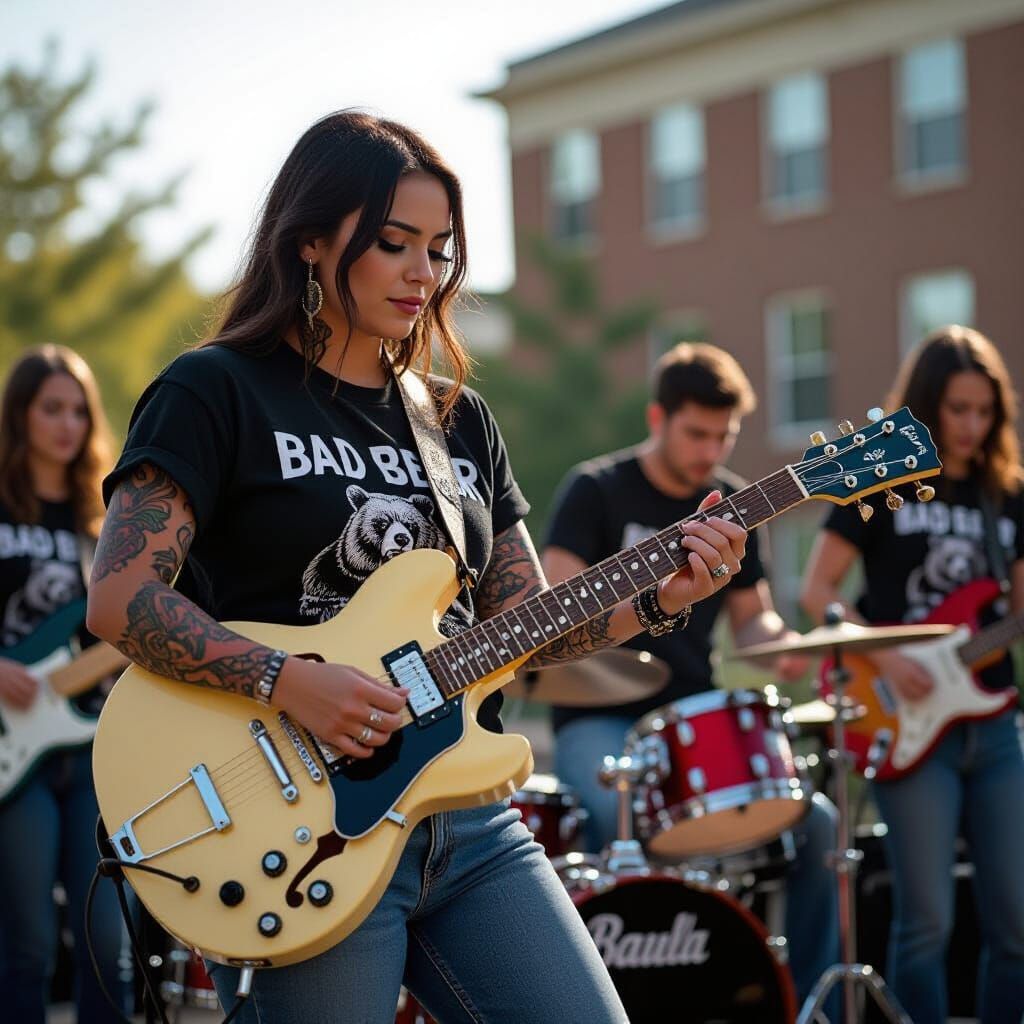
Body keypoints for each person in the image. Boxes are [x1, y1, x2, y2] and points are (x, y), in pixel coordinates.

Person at [84, 110, 748, 1024]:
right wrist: (290, 682)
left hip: (469, 821)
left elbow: (532, 629)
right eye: (395, 243)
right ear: (313, 241)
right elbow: (120, 599)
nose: (423, 272)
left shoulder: (457, 421)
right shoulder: (215, 388)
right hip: (306, 824)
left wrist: (663, 597)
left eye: (439, 248)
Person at [542, 341, 840, 1007]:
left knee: (818, 826)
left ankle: (809, 1002)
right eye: (697, 432)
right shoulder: (596, 489)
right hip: (597, 716)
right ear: (658, 417)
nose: (711, 449)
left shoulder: (734, 501)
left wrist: (782, 647)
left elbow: (752, 619)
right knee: (602, 808)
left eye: (724, 435)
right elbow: (554, 604)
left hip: (693, 721)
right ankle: (597, 1000)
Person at [801, 325, 1024, 1024]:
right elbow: (817, 594)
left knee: (1016, 923)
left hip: (993, 726)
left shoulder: (1007, 495)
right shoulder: (883, 474)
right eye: (957, 409)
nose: (971, 425)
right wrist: (883, 654)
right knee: (925, 922)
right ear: (927, 406)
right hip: (903, 718)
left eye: (984, 411)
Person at [0, 345, 129, 1023]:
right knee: (25, 944)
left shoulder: (102, 525)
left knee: (107, 942)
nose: (68, 424)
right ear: (19, 415)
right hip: (14, 759)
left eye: (79, 410)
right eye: (51, 408)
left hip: (91, 748)